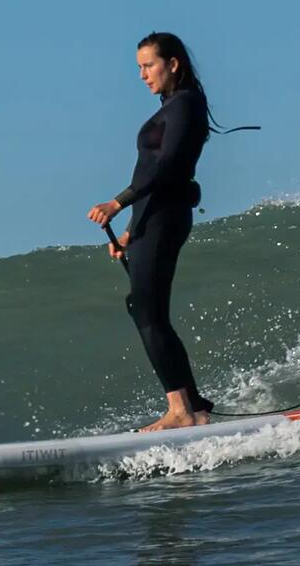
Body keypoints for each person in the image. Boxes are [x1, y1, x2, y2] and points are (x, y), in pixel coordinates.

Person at [87, 32, 221, 432]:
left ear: (173, 64)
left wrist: (118, 202)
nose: (143, 75)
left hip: (166, 216)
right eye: (139, 68)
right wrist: (130, 230)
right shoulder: (171, 107)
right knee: (142, 307)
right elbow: (148, 170)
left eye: (149, 65)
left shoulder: (186, 104)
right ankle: (191, 404)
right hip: (152, 217)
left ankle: (184, 411)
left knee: (149, 310)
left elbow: (167, 169)